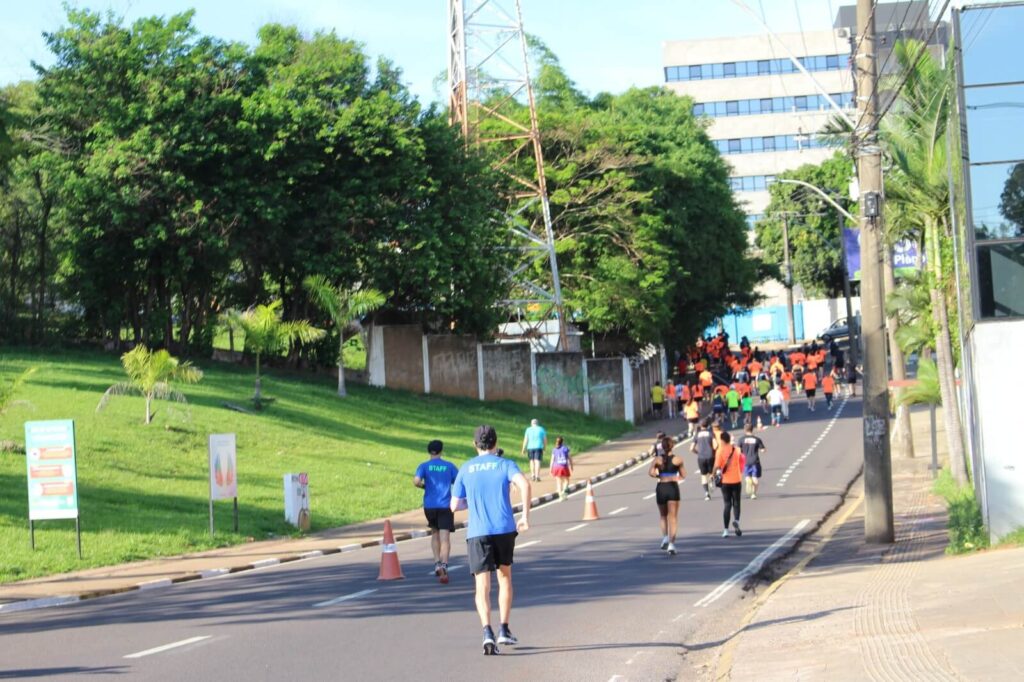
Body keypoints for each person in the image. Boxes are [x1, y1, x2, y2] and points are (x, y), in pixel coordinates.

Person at [451, 425, 531, 656]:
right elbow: (525, 484)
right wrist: (525, 516)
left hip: (478, 531)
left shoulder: (466, 468)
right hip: (504, 528)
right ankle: (504, 629)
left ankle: (487, 633)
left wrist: (472, 500)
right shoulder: (505, 464)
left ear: (474, 444)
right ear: (496, 443)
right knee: (504, 577)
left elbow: (454, 505)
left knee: (482, 586)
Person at [414, 439, 459, 583]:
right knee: (445, 537)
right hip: (445, 505)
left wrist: (424, 486)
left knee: (435, 533)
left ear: (429, 451)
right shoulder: (449, 466)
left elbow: (416, 481)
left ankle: (436, 563)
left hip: (430, 505)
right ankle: (444, 565)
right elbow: (458, 481)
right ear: (441, 450)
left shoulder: (423, 466)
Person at [648, 435, 685, 555]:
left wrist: (660, 476)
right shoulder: (678, 459)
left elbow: (650, 473)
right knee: (673, 518)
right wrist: (674, 477)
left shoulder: (657, 460)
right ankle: (671, 544)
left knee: (663, 516)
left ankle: (664, 537)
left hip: (661, 488)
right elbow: (684, 475)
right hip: (673, 488)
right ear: (672, 446)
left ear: (662, 447)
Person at [714, 431, 746, 537]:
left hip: (725, 481)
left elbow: (717, 466)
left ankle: (726, 530)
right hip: (736, 479)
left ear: (722, 440)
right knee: (737, 502)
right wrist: (740, 471)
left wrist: (713, 475)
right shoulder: (737, 449)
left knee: (727, 504)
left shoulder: (720, 451)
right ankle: (736, 521)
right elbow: (742, 461)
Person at [691, 417, 719, 501]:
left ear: (700, 425)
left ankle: (707, 493)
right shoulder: (711, 433)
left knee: (703, 475)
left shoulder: (697, 434)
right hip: (710, 456)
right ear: (708, 425)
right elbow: (715, 445)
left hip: (701, 457)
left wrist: (697, 452)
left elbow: (691, 448)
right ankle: (712, 480)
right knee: (711, 473)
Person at [738, 424, 766, 499]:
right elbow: (763, 450)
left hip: (745, 461)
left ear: (744, 429)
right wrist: (763, 449)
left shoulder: (741, 439)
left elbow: (738, 451)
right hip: (755, 461)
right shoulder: (757, 439)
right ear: (752, 429)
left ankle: (748, 482)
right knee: (755, 478)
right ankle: (753, 494)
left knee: (747, 476)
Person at [520, 418, 548, 482]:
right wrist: (544, 448)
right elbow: (545, 440)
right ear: (537, 423)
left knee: (531, 461)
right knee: (537, 461)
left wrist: (523, 449)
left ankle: (533, 475)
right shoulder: (541, 429)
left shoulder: (528, 429)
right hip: (538, 447)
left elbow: (526, 440)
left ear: (531, 423)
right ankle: (537, 476)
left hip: (530, 447)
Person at [549, 436, 573, 501]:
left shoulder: (554, 449)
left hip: (556, 467)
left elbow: (552, 460)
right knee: (566, 480)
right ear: (562, 442)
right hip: (564, 466)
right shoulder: (565, 449)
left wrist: (550, 469)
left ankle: (560, 496)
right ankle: (564, 492)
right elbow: (570, 458)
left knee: (558, 482)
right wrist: (571, 466)